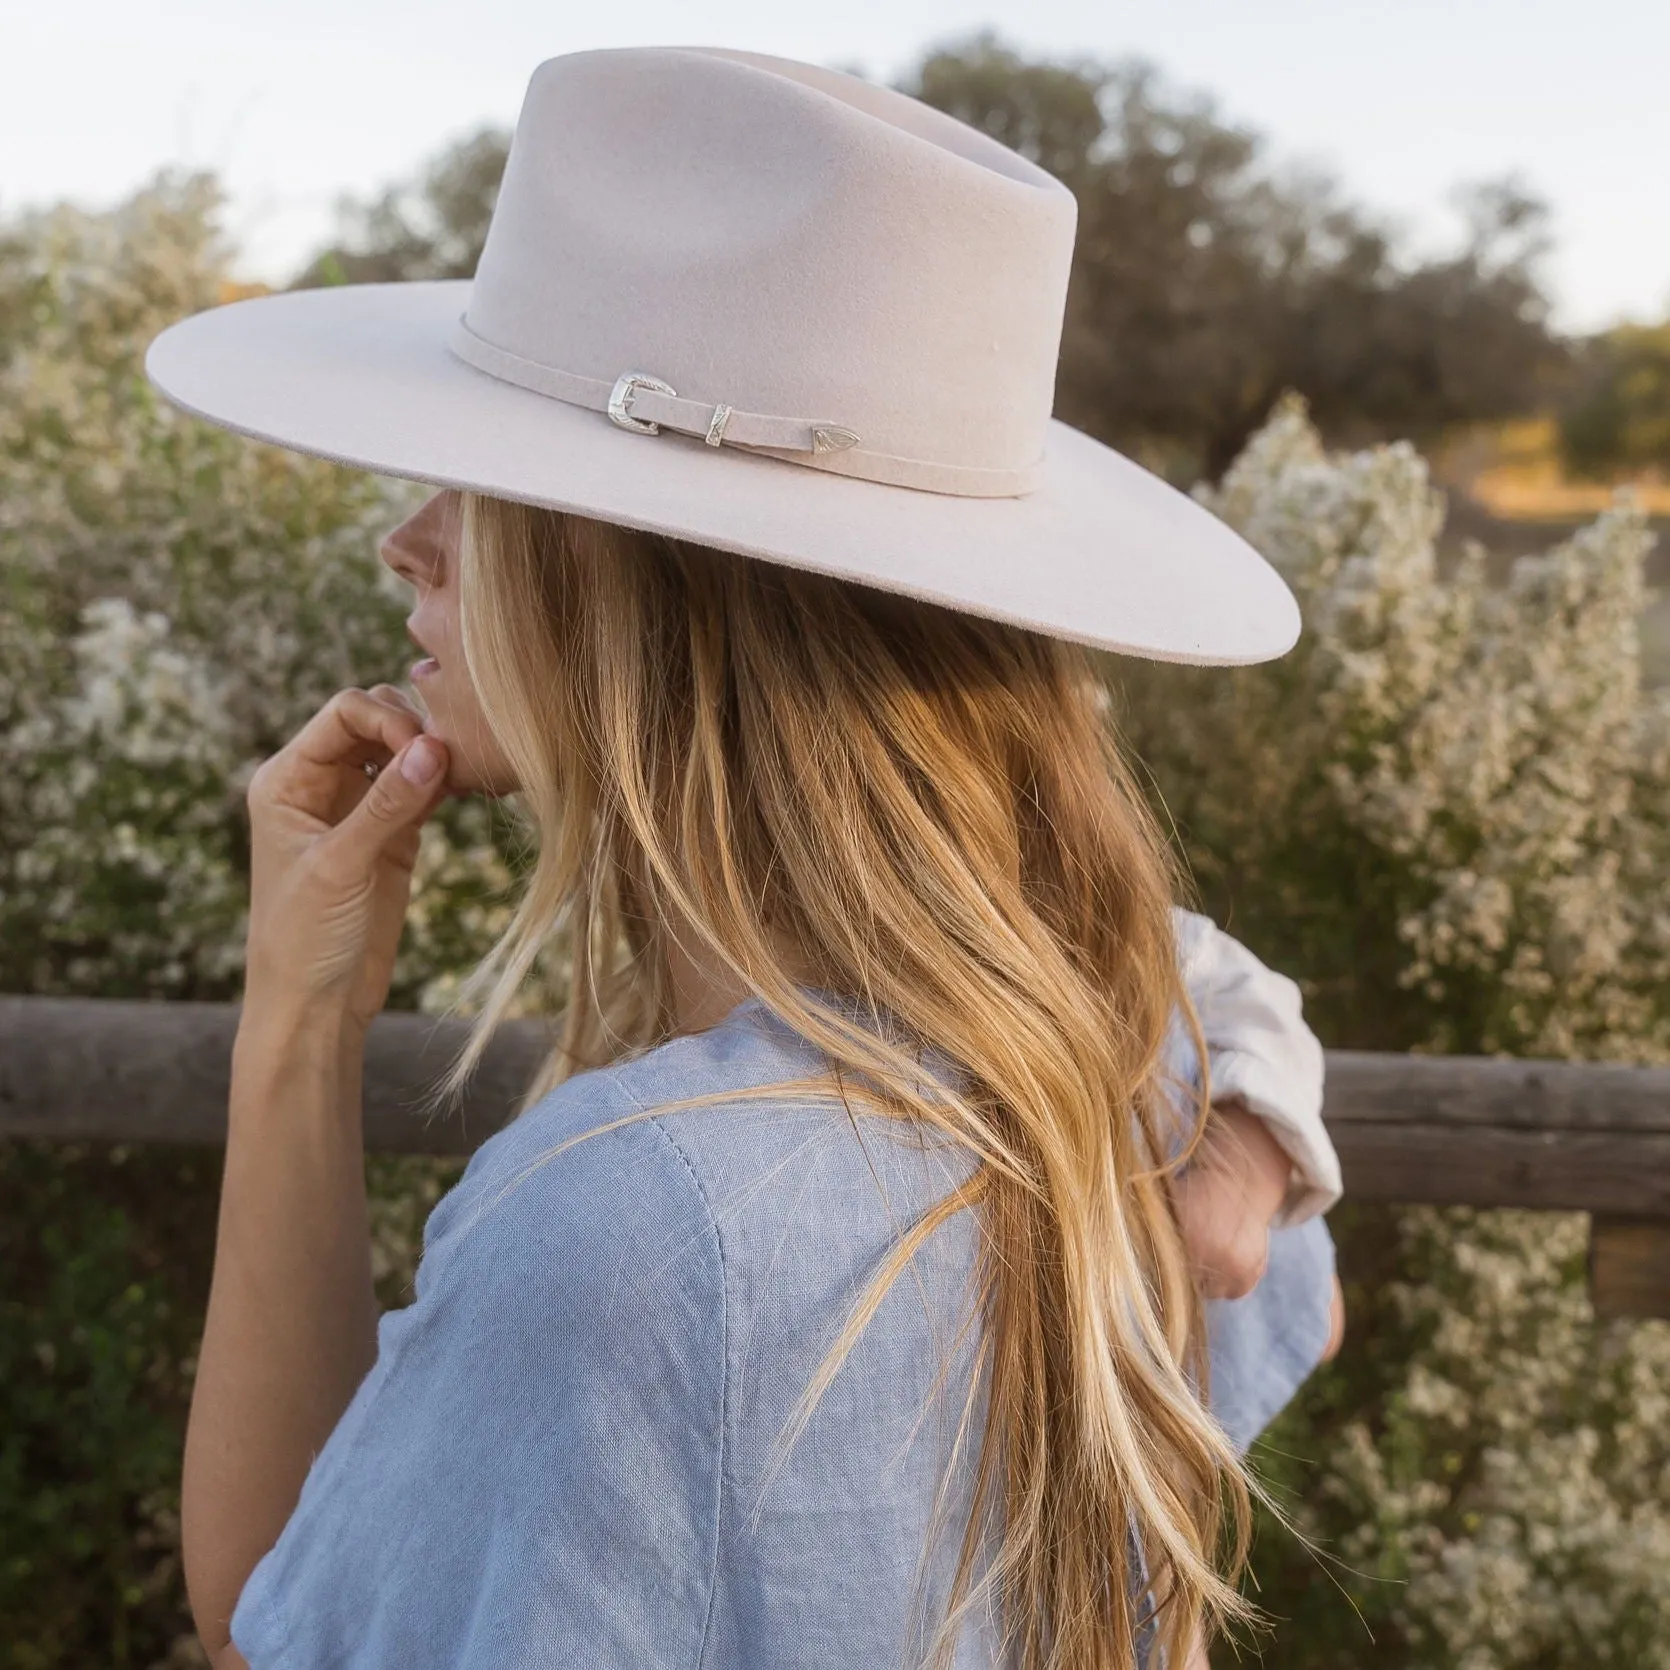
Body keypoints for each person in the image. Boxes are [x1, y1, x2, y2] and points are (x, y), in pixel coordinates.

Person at [146, 47, 1345, 1670]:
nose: (407, 537)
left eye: (492, 481)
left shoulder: (631, 1226)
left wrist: (288, 1034)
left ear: (652, 582)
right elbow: (1277, 1239)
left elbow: (270, 1627)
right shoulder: (1101, 1083)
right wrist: (304, 1007)